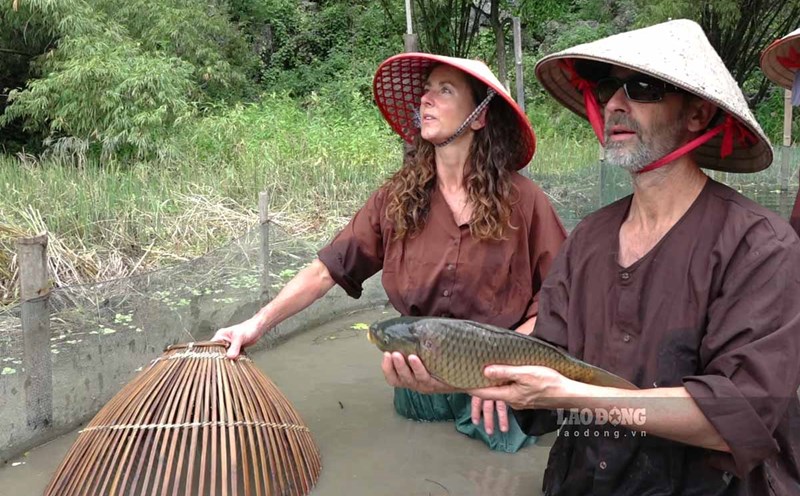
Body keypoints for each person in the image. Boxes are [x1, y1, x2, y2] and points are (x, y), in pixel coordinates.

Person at [467, 19, 800, 495]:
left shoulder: (761, 247)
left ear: (697, 115)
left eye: (642, 88)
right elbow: (548, 367)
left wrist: (574, 394)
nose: (616, 105)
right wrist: (459, 369)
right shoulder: (587, 240)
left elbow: (736, 414)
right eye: (607, 88)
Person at [212, 52, 567, 453]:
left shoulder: (525, 202)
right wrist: (256, 325)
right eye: (426, 90)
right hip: (416, 377)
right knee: (413, 457)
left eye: (445, 90)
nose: (426, 100)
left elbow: (561, 302)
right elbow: (328, 269)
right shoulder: (398, 199)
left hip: (499, 387)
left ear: (479, 117)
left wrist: (503, 370)